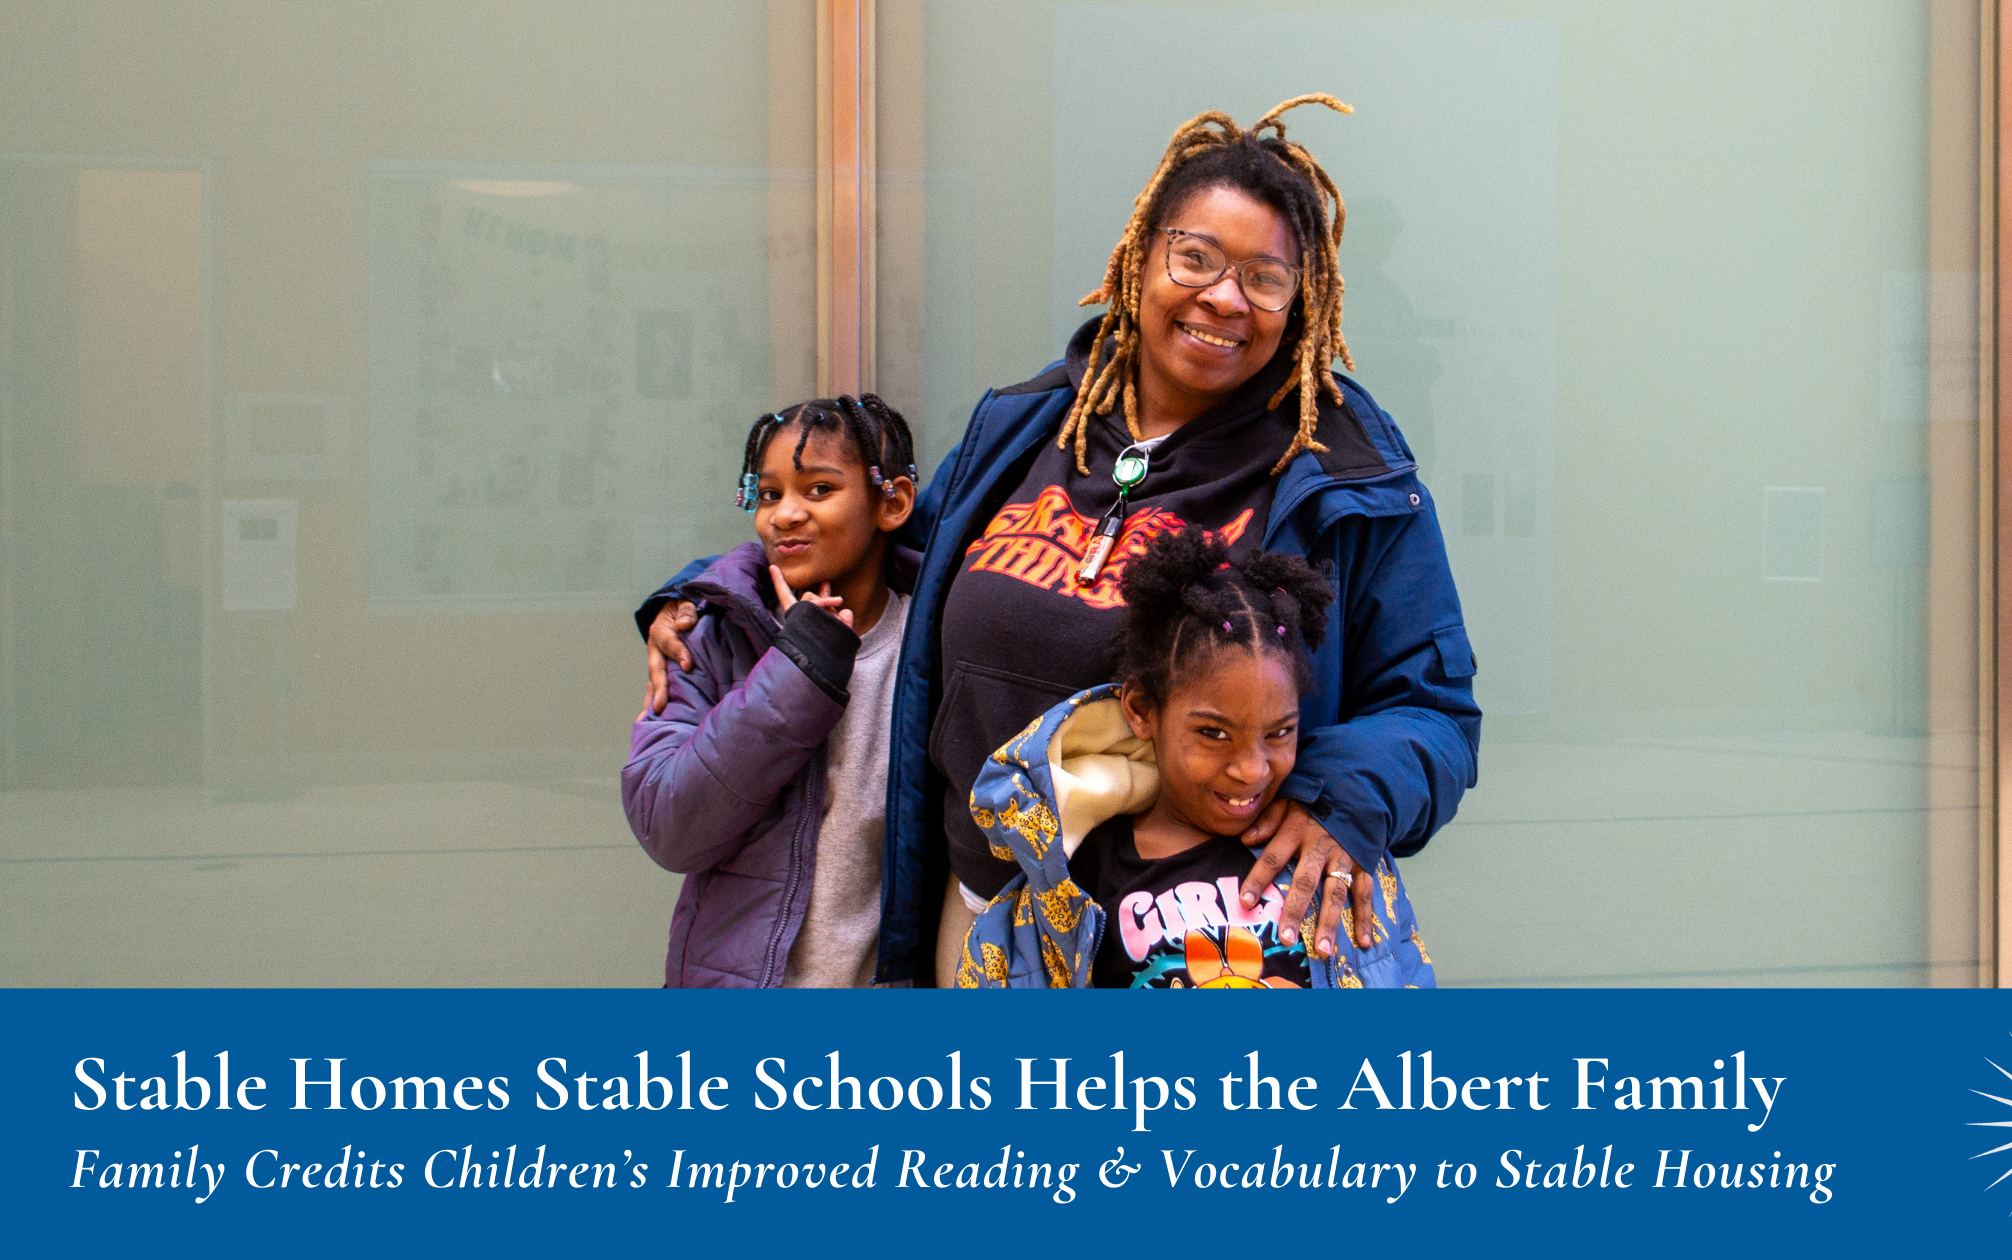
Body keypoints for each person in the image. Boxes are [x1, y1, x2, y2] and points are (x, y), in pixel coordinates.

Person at [638, 96, 1480, 987]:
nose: (1224, 297)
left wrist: (1340, 797)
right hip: (984, 923)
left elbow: (1434, 710)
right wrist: (710, 593)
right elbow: (873, 554)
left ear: (1300, 302)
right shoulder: (1027, 428)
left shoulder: (1344, 478)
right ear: (1138, 260)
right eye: (1194, 257)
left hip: (1191, 953)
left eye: (1265, 278)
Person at [956, 527, 1432, 988]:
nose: (1251, 769)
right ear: (1143, 711)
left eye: (1280, 732)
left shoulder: (1330, 849)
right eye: (1213, 733)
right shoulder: (1077, 877)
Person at [623, 395, 918, 987]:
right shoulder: (708, 634)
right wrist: (798, 667)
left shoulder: (932, 638)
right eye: (768, 494)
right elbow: (667, 825)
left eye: (818, 490)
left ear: (893, 501)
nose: (783, 515)